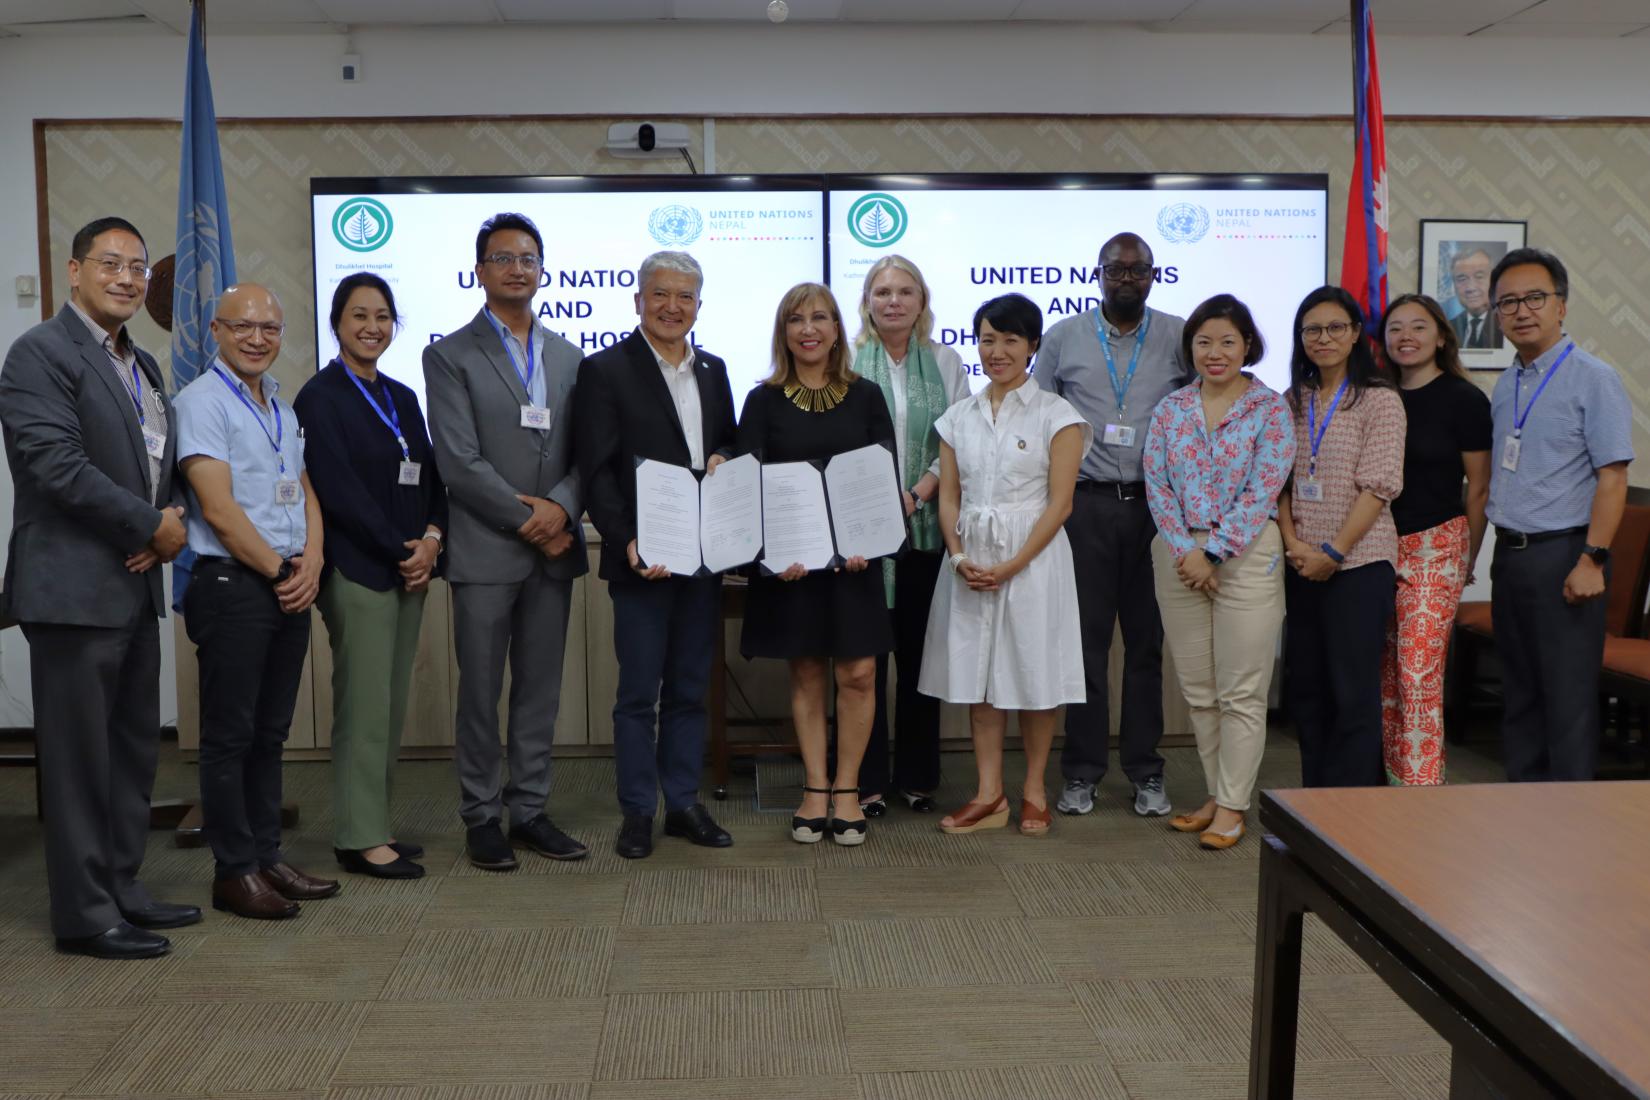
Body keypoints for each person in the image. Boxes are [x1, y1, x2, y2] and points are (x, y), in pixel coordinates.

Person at [0, 216, 197, 958]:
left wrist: (168, 515)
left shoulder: (141, 364)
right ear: (75, 271)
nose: (126, 277)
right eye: (110, 263)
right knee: (81, 763)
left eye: (138, 267)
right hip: (73, 593)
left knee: (131, 755)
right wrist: (149, 525)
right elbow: (55, 465)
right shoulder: (39, 355)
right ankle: (85, 915)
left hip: (132, 590)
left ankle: (123, 887)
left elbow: (162, 464)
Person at [424, 212, 588, 870]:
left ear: (543, 270)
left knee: (540, 689)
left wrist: (564, 508)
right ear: (480, 271)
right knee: (481, 689)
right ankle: (481, 815)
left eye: (527, 257)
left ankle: (531, 809)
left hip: (553, 551)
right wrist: (533, 522)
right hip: (489, 551)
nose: (516, 267)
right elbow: (458, 463)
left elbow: (586, 452)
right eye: (502, 258)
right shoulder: (450, 354)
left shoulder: (570, 356)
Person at [176, 283, 338, 920]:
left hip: (286, 581)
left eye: (270, 329)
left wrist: (314, 559)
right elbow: (217, 509)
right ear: (216, 330)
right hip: (234, 585)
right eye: (243, 327)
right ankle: (233, 871)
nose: (257, 339)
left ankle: (267, 856)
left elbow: (301, 487)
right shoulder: (201, 402)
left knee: (270, 734)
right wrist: (280, 571)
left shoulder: (279, 403)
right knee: (229, 736)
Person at [573, 251, 736, 859]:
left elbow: (729, 440)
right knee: (639, 693)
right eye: (661, 294)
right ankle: (638, 811)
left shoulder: (715, 369)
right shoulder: (606, 370)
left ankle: (684, 803)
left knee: (691, 688)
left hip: (703, 557)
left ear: (699, 304)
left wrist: (723, 454)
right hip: (643, 557)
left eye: (685, 297)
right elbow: (596, 471)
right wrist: (625, 540)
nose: (673, 307)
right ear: (638, 300)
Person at [294, 273, 447, 879]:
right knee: (363, 706)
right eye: (359, 315)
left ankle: (372, 824)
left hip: (410, 568)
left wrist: (432, 540)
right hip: (359, 570)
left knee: (390, 704)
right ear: (337, 323)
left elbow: (432, 476)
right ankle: (359, 837)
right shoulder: (319, 397)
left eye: (383, 316)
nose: (372, 327)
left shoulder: (403, 397)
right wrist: (400, 549)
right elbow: (338, 493)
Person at [1033, 231, 1190, 819]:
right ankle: (1081, 773)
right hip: (1086, 506)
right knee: (1086, 646)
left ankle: (1147, 772)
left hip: (1159, 508)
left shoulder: (1179, 335)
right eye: (1115, 269)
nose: (1126, 278)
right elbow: (1040, 416)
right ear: (1096, 274)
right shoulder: (1063, 338)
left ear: (1154, 275)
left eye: (1137, 269)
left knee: (1147, 645)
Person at [920, 294, 1088, 838]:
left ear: (1033, 345)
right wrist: (960, 554)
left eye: (1011, 340)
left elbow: (1060, 503)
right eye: (988, 339)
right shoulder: (957, 417)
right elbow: (949, 497)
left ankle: (1034, 791)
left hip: (1033, 559)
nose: (997, 351)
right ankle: (988, 794)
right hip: (971, 559)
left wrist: (1014, 563)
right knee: (981, 677)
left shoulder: (1056, 415)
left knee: (1033, 674)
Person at [736, 283, 894, 847]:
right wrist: (773, 554)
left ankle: (849, 789)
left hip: (855, 563)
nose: (809, 329)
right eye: (796, 319)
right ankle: (815, 788)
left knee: (859, 673)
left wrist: (867, 541)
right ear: (784, 331)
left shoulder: (867, 395)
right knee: (805, 673)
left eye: (820, 318)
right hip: (792, 566)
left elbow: (882, 479)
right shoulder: (761, 401)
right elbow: (748, 486)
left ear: (836, 329)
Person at [1143, 294, 1294, 849]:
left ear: (1248, 345)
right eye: (1204, 341)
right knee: (1201, 693)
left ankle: (1233, 805)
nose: (1215, 352)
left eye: (1227, 341)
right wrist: (1186, 549)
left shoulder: (1270, 409)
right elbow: (1155, 482)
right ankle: (1216, 792)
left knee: (1242, 692)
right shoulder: (1171, 409)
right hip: (1179, 557)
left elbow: (1264, 489)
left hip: (1247, 556)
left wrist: (1215, 552)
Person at [1485, 248, 1632, 782]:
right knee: (1518, 694)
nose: (1522, 311)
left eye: (1535, 298)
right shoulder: (1508, 383)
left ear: (1561, 306)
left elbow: (1612, 478)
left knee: (1567, 703)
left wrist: (1592, 559)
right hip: (1511, 556)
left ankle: (1572, 839)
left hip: (1567, 556)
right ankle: (1521, 815)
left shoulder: (1595, 378)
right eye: (1509, 303)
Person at [851, 255, 971, 817]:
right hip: (859, 535)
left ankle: (919, 779)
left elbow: (957, 441)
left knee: (922, 659)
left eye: (904, 291)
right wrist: (875, 500)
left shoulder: (946, 362)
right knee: (865, 662)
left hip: (927, 529)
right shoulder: (844, 358)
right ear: (867, 301)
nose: (893, 301)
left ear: (922, 301)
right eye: (882, 291)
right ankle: (866, 780)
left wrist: (917, 492)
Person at [1276, 286, 1406, 788]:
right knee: (1307, 690)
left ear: (1355, 334)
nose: (1323, 338)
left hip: (1359, 564)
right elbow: (1278, 483)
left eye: (1335, 327)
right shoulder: (1292, 400)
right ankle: (1316, 803)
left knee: (1353, 692)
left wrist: (1334, 551)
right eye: (1312, 329)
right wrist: (1295, 546)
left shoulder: (1380, 400)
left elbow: (1379, 486)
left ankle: (1353, 813)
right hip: (1302, 563)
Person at [1379, 293, 1491, 786]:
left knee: (1418, 673)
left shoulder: (1464, 399)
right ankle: (1386, 779)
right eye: (1396, 328)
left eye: (1418, 327)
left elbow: (1480, 487)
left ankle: (1421, 790)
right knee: (1384, 676)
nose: (1406, 336)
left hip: (1436, 544)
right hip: (1376, 543)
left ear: (1441, 336)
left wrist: (1467, 555)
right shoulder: (1378, 395)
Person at [1448, 247, 1502, 351]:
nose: (1470, 287)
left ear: (1494, 281)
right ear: (1454, 285)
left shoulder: (1507, 324)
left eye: (1479, 276)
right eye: (1462, 279)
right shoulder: (1448, 328)